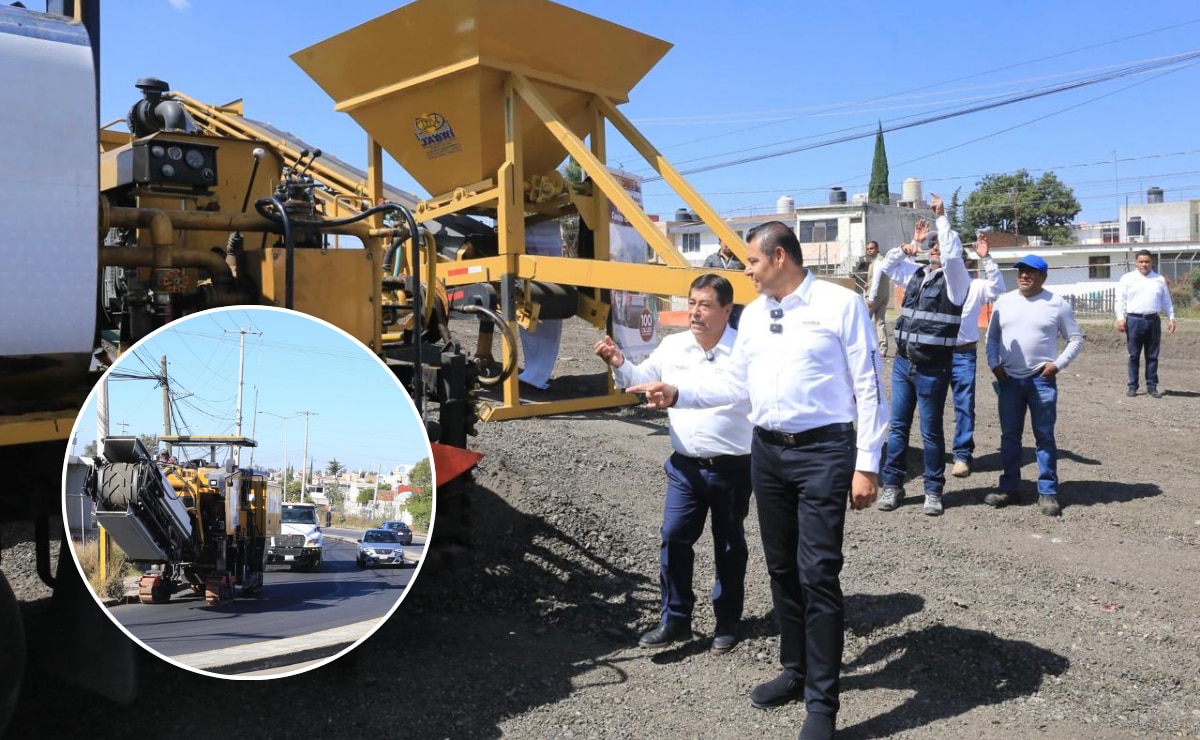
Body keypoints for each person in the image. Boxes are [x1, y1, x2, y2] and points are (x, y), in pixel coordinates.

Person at [628, 222, 886, 740]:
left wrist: (868, 462)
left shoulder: (839, 306)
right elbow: (733, 384)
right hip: (766, 452)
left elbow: (870, 384)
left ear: (781, 257)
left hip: (823, 452)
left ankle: (822, 706)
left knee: (819, 573)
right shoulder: (754, 318)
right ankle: (794, 671)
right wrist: (677, 394)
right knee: (781, 567)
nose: (745, 270)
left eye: (751, 262)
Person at [594, 274, 753, 654]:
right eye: (692, 303)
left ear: (727, 310)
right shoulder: (674, 346)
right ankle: (675, 619)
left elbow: (738, 392)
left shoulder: (744, 351)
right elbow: (641, 379)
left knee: (729, 544)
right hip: (684, 467)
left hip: (732, 467)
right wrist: (619, 363)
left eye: (705, 305)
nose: (695, 312)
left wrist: (678, 394)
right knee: (674, 537)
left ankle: (727, 622)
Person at [875, 194, 970, 516]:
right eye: (932, 245)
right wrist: (905, 246)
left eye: (939, 245)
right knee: (898, 427)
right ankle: (892, 486)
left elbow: (954, 254)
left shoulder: (957, 282)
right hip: (904, 364)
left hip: (933, 368)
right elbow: (887, 265)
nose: (935, 248)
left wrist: (941, 218)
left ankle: (933, 490)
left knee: (930, 431)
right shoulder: (916, 274)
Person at [984, 255, 1084, 516]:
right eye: (1021, 271)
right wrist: (993, 363)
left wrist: (1058, 365)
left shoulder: (1056, 304)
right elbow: (992, 337)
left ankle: (1048, 492)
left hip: (1042, 381)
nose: (1024, 276)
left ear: (1043, 277)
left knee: (1044, 437)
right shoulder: (1004, 302)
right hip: (1009, 381)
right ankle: (1010, 488)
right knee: (1009, 437)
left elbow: (1075, 339)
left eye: (1031, 272)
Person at [948, 233, 1005, 478]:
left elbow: (998, 288)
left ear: (967, 265)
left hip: (963, 355)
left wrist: (987, 259)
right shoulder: (939, 284)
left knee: (964, 406)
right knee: (930, 406)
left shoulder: (978, 286)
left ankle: (961, 456)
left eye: (961, 263)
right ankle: (934, 455)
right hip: (935, 354)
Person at [1115, 249, 1177, 398]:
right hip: (1134, 321)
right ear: (1136, 263)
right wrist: (1120, 318)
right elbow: (1120, 300)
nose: (1144, 264)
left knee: (1152, 356)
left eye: (1147, 262)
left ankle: (1152, 386)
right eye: (1141, 262)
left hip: (1153, 321)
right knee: (1133, 355)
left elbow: (1166, 301)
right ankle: (1132, 386)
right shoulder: (1127, 278)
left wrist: (1171, 317)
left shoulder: (1159, 279)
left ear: (1152, 262)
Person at [863, 240, 891, 357]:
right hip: (884, 295)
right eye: (868, 249)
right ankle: (883, 349)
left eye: (871, 248)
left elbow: (877, 280)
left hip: (874, 296)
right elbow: (874, 280)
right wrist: (867, 285)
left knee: (863, 321)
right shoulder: (882, 260)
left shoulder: (878, 262)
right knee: (880, 322)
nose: (869, 250)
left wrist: (871, 297)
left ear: (877, 248)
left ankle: (864, 347)